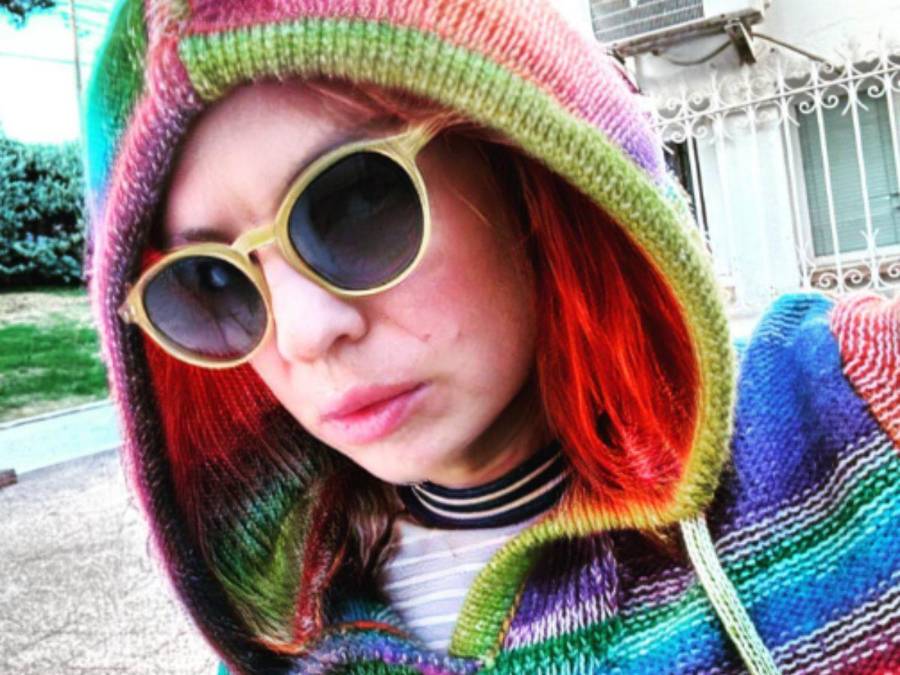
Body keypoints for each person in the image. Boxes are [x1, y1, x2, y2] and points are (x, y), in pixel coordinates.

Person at [81, 0, 899, 673]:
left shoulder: (854, 403)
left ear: (527, 165)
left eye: (358, 201)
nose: (303, 333)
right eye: (211, 280)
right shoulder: (281, 637)